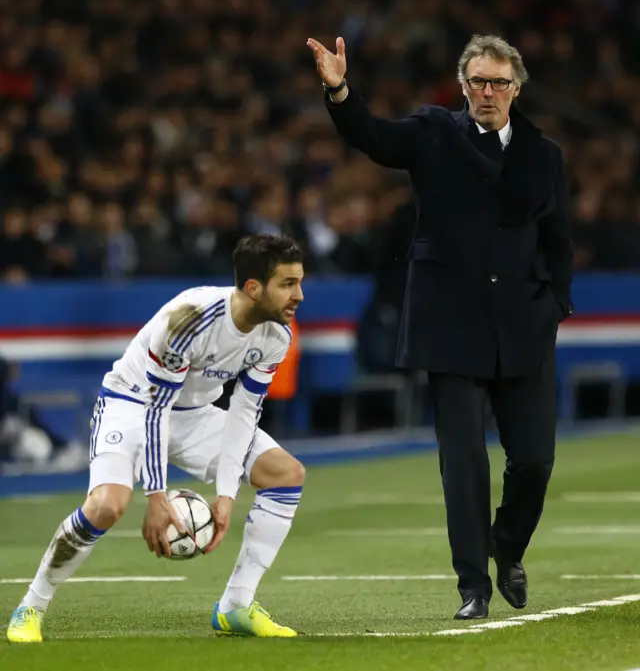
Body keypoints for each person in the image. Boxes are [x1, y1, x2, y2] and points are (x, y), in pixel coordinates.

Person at [307, 34, 573, 620]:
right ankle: (473, 586)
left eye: (498, 82)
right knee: (463, 462)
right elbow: (372, 136)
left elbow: (558, 241)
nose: (487, 92)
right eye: (477, 81)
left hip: (525, 327)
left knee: (534, 462)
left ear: (516, 88)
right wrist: (339, 90)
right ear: (462, 85)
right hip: (451, 325)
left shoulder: (543, 154)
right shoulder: (433, 132)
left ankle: (508, 545)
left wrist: (554, 304)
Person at [7, 234, 306, 642]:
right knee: (108, 506)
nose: (299, 295)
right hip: (132, 404)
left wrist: (226, 494)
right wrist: (156, 496)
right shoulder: (190, 319)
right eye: (288, 284)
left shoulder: (275, 335)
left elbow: (243, 412)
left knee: (286, 474)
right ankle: (30, 606)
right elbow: (156, 408)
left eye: (299, 282)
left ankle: (235, 606)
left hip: (197, 414)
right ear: (253, 288)